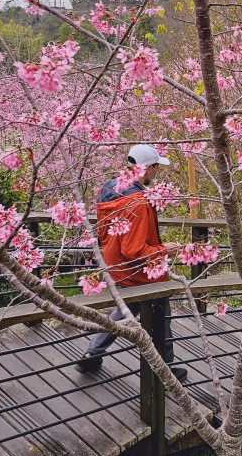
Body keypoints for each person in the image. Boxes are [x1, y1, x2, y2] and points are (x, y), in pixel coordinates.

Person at [75, 144, 187, 382]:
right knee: (160, 315)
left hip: (115, 263)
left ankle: (91, 353)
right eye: (156, 167)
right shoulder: (138, 202)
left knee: (125, 311)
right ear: (146, 169)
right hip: (141, 271)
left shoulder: (110, 188)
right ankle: (164, 370)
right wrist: (163, 250)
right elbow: (134, 250)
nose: (157, 173)